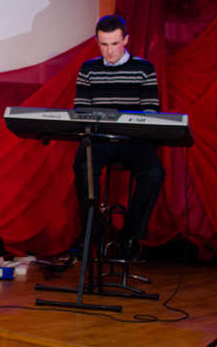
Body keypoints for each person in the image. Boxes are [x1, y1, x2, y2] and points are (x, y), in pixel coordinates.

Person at [71, 15, 165, 262]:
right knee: (83, 165)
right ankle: (94, 229)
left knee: (154, 173)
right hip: (99, 138)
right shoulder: (88, 69)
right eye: (104, 44)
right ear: (97, 41)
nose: (109, 51)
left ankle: (129, 237)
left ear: (126, 40)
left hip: (133, 140)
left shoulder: (144, 69)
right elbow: (80, 111)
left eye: (114, 43)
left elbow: (150, 112)